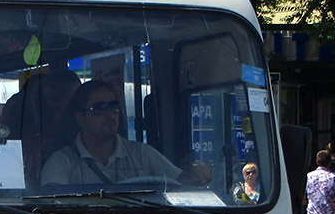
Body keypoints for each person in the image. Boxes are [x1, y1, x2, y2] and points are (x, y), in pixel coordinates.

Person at [40, 80, 210, 186]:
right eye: (99, 109)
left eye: (114, 107)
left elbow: (182, 183)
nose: (110, 115)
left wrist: (199, 174)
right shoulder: (61, 163)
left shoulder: (142, 154)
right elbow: (53, 206)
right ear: (80, 118)